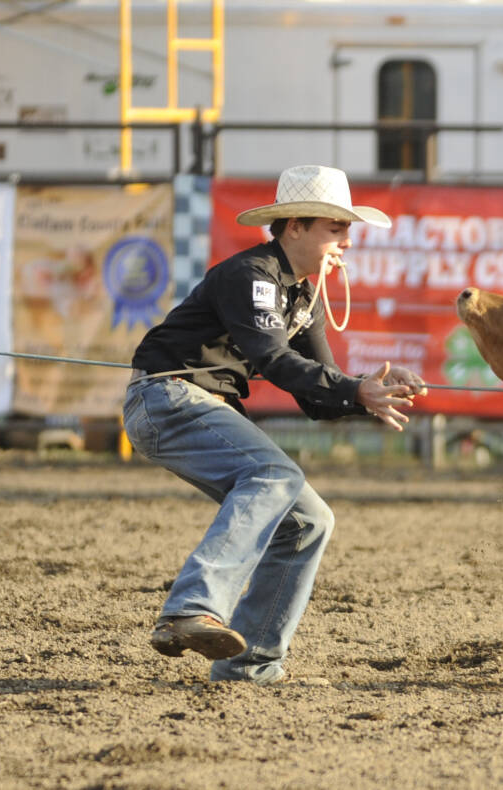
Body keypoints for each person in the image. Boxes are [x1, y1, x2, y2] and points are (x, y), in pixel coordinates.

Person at [122, 164, 426, 685]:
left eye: (347, 231)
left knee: (309, 521)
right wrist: (354, 388)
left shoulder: (305, 297)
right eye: (337, 229)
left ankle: (250, 664)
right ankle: (190, 608)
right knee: (275, 477)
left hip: (193, 405)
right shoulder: (252, 275)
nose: (347, 242)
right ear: (295, 227)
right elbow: (274, 359)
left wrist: (366, 392)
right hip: (166, 397)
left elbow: (317, 396)